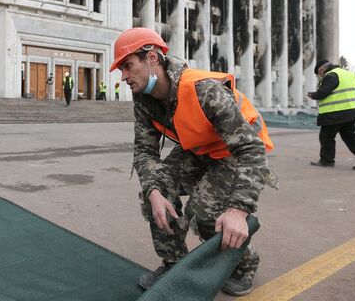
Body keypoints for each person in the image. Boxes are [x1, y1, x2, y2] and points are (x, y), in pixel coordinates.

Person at [110, 27, 278, 296]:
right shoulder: (144, 99)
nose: (124, 77)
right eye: (121, 70)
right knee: (155, 191)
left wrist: (239, 208)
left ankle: (245, 264)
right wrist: (154, 191)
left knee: (206, 213)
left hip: (234, 152)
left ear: (152, 58)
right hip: (199, 150)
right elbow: (144, 152)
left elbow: (251, 149)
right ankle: (174, 262)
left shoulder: (203, 89)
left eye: (128, 66)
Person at [307, 60, 355, 170]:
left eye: (320, 74)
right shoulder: (346, 74)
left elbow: (323, 93)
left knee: (326, 136)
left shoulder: (330, 75)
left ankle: (327, 160)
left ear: (322, 70)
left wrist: (313, 95)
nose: (320, 76)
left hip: (335, 113)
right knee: (349, 136)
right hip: (350, 111)